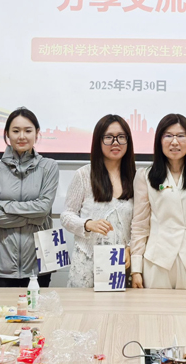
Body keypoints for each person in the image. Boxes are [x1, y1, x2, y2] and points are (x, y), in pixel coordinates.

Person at [129, 113, 186, 290]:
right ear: (159, 140)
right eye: (168, 136)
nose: (174, 142)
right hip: (157, 260)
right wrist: (136, 269)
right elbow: (140, 225)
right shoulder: (145, 176)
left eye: (180, 136)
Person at [0, 107, 59, 288]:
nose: (22, 136)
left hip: (39, 264)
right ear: (7, 134)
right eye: (16, 131)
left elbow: (43, 209)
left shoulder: (49, 167)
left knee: (38, 307)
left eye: (28, 131)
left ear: (37, 133)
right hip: (2, 265)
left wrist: (6, 205)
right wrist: (31, 219)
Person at [60, 114, 136, 288]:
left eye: (121, 137)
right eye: (108, 137)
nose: (115, 142)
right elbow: (66, 215)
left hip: (121, 264)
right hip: (87, 263)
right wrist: (88, 224)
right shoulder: (83, 175)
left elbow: (141, 223)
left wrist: (131, 248)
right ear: (98, 141)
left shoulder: (137, 178)